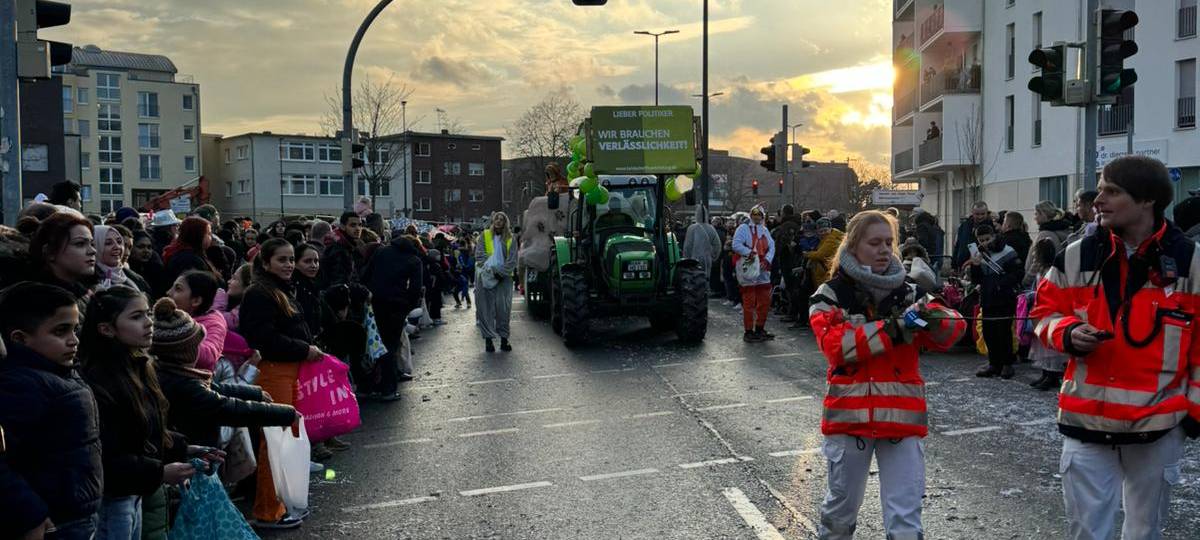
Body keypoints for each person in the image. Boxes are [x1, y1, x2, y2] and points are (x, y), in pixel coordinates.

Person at [1032, 155, 1199, 540]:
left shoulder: (1192, 263)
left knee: (1143, 532)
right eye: (1101, 189)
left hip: (1158, 426)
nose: (1099, 201)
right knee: (1088, 533)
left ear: (1147, 201)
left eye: (1112, 191)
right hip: (1086, 422)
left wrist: (1192, 414)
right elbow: (1044, 311)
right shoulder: (1076, 254)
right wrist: (1068, 333)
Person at [808, 210, 966, 540]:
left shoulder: (910, 293)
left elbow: (951, 333)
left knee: (906, 520)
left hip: (902, 423)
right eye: (874, 242)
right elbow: (838, 348)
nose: (884, 249)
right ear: (853, 247)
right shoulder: (829, 295)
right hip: (850, 423)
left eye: (888, 242)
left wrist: (934, 314)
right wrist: (894, 328)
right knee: (839, 516)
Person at [78, 287, 200, 540]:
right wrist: (160, 473)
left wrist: (185, 448)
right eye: (136, 317)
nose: (148, 323)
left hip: (133, 493)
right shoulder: (99, 380)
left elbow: (145, 430)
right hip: (113, 500)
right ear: (106, 329)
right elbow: (107, 455)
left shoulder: (138, 365)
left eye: (147, 314)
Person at [0, 283, 102, 540]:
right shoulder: (22, 385)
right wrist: (28, 512)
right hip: (51, 523)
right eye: (61, 331)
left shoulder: (59, 374)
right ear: (20, 339)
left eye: (75, 329)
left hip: (75, 515)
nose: (74, 340)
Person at [238, 238, 321, 529]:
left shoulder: (279, 290)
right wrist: (303, 349)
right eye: (281, 260)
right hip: (273, 372)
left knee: (285, 441)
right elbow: (264, 338)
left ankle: (280, 503)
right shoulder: (260, 293)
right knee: (274, 443)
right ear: (265, 263)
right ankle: (268, 510)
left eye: (289, 259)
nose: (287, 265)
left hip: (288, 371)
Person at [151, 296, 295, 449]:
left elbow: (215, 388)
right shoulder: (184, 385)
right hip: (194, 457)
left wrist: (255, 393)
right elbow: (230, 408)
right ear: (188, 352)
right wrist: (285, 414)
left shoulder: (170, 373)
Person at [363, 234, 424, 398]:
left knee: (376, 342)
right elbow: (415, 289)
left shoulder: (381, 251)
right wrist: (407, 307)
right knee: (391, 344)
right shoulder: (414, 260)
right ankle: (388, 388)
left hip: (375, 302)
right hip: (396, 306)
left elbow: (366, 274)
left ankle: (372, 384)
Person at [967, 224, 1023, 379]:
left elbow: (1018, 273)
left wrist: (1000, 284)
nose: (984, 242)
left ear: (994, 236)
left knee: (1004, 331)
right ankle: (993, 363)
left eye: (987, 239)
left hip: (1004, 297)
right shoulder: (979, 254)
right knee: (989, 331)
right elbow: (976, 279)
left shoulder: (1008, 251)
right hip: (987, 298)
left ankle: (1007, 364)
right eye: (981, 240)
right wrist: (975, 266)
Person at [25, 213, 97, 308]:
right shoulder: (37, 302)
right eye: (80, 244)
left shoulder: (85, 293)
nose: (92, 251)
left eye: (92, 244)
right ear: (50, 252)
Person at [475, 212, 517, 352]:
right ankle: (488, 341)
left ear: (506, 222)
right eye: (497, 218)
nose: (499, 221)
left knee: (503, 309)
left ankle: (504, 340)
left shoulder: (511, 238)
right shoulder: (484, 235)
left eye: (502, 219)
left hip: (504, 279)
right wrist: (493, 270)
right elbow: (479, 255)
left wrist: (501, 273)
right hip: (487, 276)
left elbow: (512, 260)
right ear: (493, 220)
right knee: (486, 309)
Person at [732, 206, 776, 343]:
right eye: (754, 215)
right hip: (748, 267)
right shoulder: (743, 229)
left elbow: (772, 246)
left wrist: (767, 260)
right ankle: (749, 331)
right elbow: (736, 244)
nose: (757, 217)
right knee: (749, 301)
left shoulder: (764, 230)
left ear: (762, 217)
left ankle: (760, 328)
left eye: (759, 215)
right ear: (751, 215)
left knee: (764, 300)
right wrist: (751, 254)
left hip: (763, 268)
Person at [161, 217, 219, 293]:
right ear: (197, 235)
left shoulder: (191, 254)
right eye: (208, 233)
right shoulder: (189, 260)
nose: (211, 237)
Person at [1024, 201, 1072, 287]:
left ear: (1044, 214)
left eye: (1036, 214)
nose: (1035, 218)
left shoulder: (1045, 234)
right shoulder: (1063, 230)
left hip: (1043, 281)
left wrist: (1026, 280)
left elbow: (1038, 261)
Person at [318, 211, 364, 290]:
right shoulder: (339, 248)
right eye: (353, 225)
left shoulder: (348, 245)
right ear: (342, 226)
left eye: (360, 225)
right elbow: (340, 282)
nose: (358, 229)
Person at [683, 206, 722, 295]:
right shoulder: (711, 228)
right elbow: (717, 245)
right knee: (706, 277)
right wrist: (713, 256)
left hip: (694, 259)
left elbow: (687, 246)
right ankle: (705, 293)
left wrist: (686, 258)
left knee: (694, 280)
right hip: (707, 259)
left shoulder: (692, 228)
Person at [952, 201, 994, 268]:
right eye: (977, 214)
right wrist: (953, 265)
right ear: (972, 213)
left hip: (979, 266)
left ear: (987, 213)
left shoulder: (991, 226)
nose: (980, 217)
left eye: (983, 214)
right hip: (961, 266)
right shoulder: (964, 225)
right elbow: (958, 245)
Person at [128, 230, 166, 298]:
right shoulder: (126, 271)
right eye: (141, 247)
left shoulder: (156, 269)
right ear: (130, 248)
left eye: (149, 247)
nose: (146, 251)